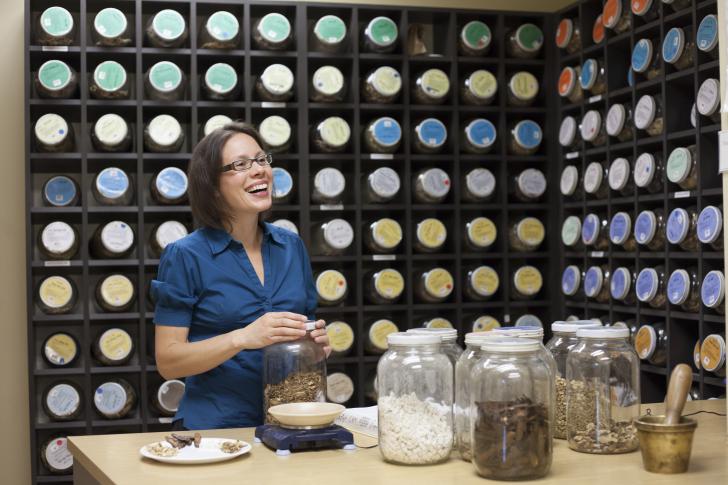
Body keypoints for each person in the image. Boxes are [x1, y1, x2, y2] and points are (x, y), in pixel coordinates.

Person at [151, 122, 330, 430]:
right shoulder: (185, 256)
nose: (259, 170)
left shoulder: (291, 246)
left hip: (292, 422)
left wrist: (316, 346)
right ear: (213, 188)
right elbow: (168, 362)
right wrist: (242, 338)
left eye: (262, 160)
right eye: (240, 165)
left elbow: (305, 338)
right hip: (217, 430)